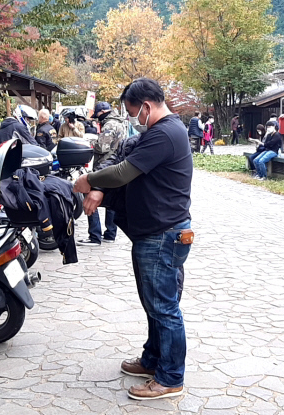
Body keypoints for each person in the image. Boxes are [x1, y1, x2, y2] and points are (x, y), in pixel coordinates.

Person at [73, 78, 192, 401]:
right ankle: (153, 359)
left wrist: (88, 180)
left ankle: (170, 378)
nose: (130, 118)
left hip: (163, 234)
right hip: (154, 232)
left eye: (131, 112)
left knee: (164, 308)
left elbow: (124, 172)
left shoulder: (166, 134)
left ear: (147, 107)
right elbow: (121, 157)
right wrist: (99, 186)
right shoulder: (157, 132)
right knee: (154, 303)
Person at [78, 101, 127, 246]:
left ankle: (94, 236)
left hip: (105, 166)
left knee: (89, 196)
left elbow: (102, 147)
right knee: (111, 200)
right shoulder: (120, 122)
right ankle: (110, 233)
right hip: (117, 166)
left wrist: (91, 142)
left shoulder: (110, 124)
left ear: (102, 112)